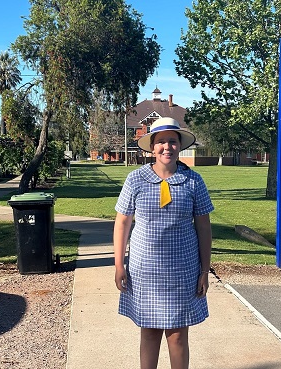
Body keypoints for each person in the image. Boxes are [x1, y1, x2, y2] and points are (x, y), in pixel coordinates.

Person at [114, 117, 214, 369]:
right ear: (152, 147)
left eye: (172, 141)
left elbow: (203, 227)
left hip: (183, 270)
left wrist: (204, 271)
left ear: (180, 146)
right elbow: (122, 223)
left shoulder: (194, 181)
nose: (166, 147)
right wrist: (118, 265)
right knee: (149, 332)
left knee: (178, 335)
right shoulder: (135, 180)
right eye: (161, 142)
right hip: (144, 271)